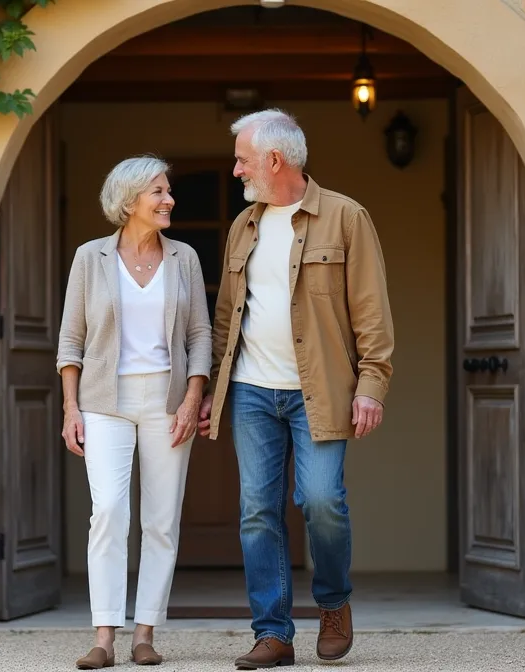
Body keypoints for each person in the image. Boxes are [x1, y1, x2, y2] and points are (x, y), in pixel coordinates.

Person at [197, 108, 394, 669]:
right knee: (258, 510)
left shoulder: (346, 218)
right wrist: (213, 385)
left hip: (321, 391)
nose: (236, 170)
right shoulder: (244, 226)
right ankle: (274, 633)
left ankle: (333, 604)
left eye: (242, 159)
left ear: (273, 160)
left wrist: (372, 385)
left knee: (321, 501)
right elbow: (225, 315)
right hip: (254, 391)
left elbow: (372, 313)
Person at [57, 155, 212, 669]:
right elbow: (71, 339)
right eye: (159, 192)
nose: (169, 200)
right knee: (108, 513)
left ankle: (145, 632)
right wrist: (70, 407)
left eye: (168, 191)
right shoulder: (90, 258)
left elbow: (199, 334)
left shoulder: (183, 258)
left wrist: (193, 398)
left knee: (162, 520)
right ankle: (105, 635)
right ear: (129, 202)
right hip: (105, 400)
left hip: (167, 401)